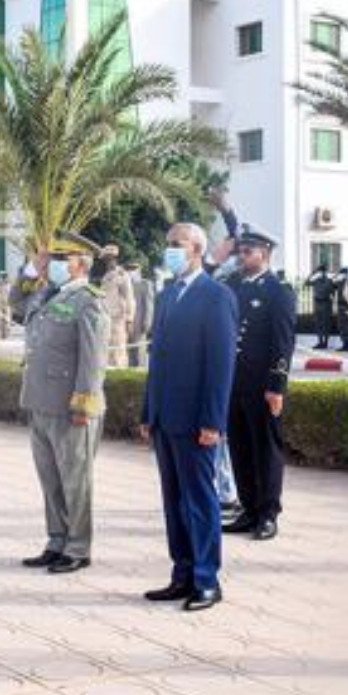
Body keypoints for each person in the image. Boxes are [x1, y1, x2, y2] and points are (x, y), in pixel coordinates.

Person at [138, 223, 238, 612]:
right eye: (167, 245)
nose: (169, 251)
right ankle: (181, 574)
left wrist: (213, 422)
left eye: (176, 245)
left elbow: (220, 365)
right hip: (166, 417)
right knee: (173, 501)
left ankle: (206, 580)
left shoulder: (216, 296)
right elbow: (156, 360)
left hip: (197, 421)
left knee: (199, 501)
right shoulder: (167, 295)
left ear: (197, 249)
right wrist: (149, 411)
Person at [19, 231, 109, 575]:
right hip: (40, 401)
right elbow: (15, 304)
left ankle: (78, 547)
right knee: (50, 479)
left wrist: (84, 404)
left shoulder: (89, 301)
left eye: (61, 259)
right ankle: (56, 540)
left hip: (71, 408)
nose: (54, 264)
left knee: (75, 480)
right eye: (52, 258)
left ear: (80, 264)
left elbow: (93, 360)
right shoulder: (46, 293)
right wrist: (32, 269)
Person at [222, 226, 297, 541]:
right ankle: (249, 509)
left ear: (265, 254)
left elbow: (283, 342)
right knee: (239, 447)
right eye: (241, 251)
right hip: (233, 383)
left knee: (265, 449)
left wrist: (276, 386)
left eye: (249, 251)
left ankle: (268, 514)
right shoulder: (232, 286)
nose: (243, 256)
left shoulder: (278, 290)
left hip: (261, 385)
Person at [99, 245, 136, 369]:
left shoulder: (121, 274)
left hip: (118, 319)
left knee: (118, 351)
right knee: (107, 351)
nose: (108, 261)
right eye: (106, 259)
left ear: (115, 258)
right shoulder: (106, 275)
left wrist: (129, 319)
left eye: (110, 258)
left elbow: (129, 298)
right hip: (106, 317)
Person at [126, 261, 154, 368]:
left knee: (139, 353)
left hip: (140, 324)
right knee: (129, 354)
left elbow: (149, 305)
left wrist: (147, 323)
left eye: (133, 269)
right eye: (129, 270)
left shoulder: (145, 284)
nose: (130, 272)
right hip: (128, 325)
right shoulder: (127, 285)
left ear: (139, 270)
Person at [307, 264, 336, 349]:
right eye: (320, 272)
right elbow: (306, 282)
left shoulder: (330, 280)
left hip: (326, 304)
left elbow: (333, 291)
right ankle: (320, 342)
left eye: (321, 271)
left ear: (324, 272)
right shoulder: (316, 280)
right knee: (318, 324)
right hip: (318, 303)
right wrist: (313, 273)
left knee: (325, 324)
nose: (321, 273)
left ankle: (325, 342)